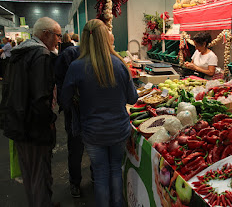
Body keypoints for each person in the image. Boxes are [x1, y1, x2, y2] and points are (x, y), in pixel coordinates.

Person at [61, 19, 138, 207]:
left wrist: (79, 98)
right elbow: (133, 99)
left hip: (93, 131)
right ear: (106, 38)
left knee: (101, 174)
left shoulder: (76, 67)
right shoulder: (120, 64)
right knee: (115, 170)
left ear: (85, 39)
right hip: (119, 130)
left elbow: (63, 100)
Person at [0, 17, 62, 207]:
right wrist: (50, 119)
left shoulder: (19, 53)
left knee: (29, 173)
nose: (59, 40)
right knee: (39, 174)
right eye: (57, 35)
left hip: (18, 122)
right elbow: (40, 97)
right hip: (34, 127)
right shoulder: (41, 55)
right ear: (46, 34)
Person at [55, 45, 83, 197]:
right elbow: (62, 86)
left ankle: (80, 182)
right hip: (75, 113)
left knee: (81, 148)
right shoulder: (71, 55)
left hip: (86, 112)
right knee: (76, 149)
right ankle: (75, 183)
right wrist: (69, 104)